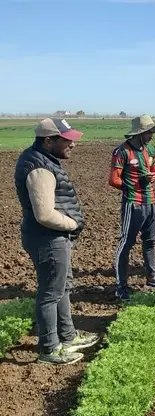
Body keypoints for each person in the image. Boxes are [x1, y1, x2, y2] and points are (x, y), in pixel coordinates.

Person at [14, 118, 99, 364]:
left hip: (54, 238)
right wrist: (73, 224)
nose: (72, 144)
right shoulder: (38, 168)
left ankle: (68, 336)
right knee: (50, 292)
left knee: (62, 287)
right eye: (67, 140)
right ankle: (49, 349)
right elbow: (44, 214)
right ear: (49, 141)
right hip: (47, 238)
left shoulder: (43, 159)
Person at [108, 115, 155, 301]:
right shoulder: (122, 152)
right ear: (140, 133)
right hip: (133, 203)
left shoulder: (151, 150)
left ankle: (153, 278)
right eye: (149, 132)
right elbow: (114, 179)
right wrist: (132, 186)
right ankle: (121, 286)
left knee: (151, 241)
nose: (152, 135)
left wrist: (153, 178)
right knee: (126, 243)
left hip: (151, 202)